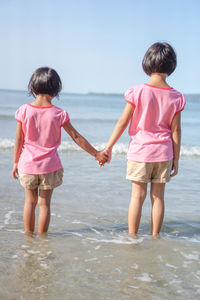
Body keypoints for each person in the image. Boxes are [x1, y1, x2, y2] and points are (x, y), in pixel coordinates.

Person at [12, 67, 108, 235]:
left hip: (27, 165)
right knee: (44, 204)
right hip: (49, 166)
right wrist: (97, 154)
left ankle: (28, 239)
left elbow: (19, 139)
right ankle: (42, 240)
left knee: (30, 202)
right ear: (56, 90)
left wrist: (15, 162)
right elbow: (76, 137)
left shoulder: (24, 110)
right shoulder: (59, 114)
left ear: (32, 88)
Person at [104, 42, 185, 237]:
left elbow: (123, 122)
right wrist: (176, 158)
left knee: (137, 196)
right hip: (163, 153)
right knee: (158, 198)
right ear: (172, 65)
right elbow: (176, 131)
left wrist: (109, 147)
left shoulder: (137, 91)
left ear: (147, 63)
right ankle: (155, 237)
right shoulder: (176, 96)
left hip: (140, 152)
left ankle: (133, 237)